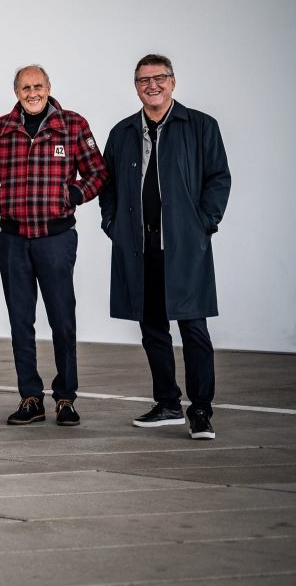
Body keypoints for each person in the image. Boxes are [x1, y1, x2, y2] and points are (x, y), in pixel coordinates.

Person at [99, 54, 230, 440]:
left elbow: (219, 178)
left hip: (184, 248)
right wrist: (112, 225)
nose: (151, 85)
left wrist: (204, 223)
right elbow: (107, 186)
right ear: (135, 86)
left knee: (193, 328)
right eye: (143, 80)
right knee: (152, 327)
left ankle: (201, 410)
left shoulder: (201, 126)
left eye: (159, 78)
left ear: (173, 82)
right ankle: (168, 404)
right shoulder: (122, 133)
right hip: (141, 249)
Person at [0, 65, 107, 427]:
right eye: (25, 87)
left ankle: (66, 398)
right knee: (21, 322)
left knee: (62, 320)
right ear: (16, 91)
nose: (32, 92)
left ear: (49, 87)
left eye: (38, 86)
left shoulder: (72, 125)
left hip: (56, 238)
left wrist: (72, 194)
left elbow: (98, 172)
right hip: (14, 239)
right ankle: (30, 398)